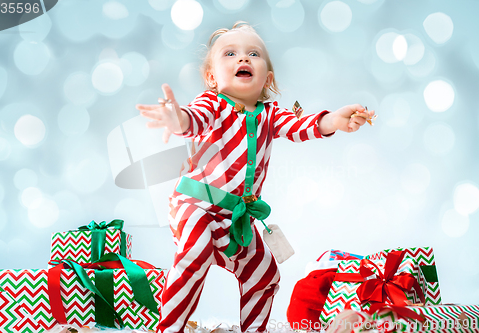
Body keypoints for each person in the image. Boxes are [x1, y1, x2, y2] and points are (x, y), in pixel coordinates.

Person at [137, 22, 376, 333]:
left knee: (265, 274)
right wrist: (176, 118)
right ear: (212, 77)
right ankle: (169, 329)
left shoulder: (270, 114)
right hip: (196, 205)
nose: (243, 59)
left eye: (253, 54)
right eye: (230, 54)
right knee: (195, 252)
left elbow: (299, 127)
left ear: (268, 78)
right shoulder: (212, 104)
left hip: (238, 218)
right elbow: (193, 120)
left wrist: (333, 120)